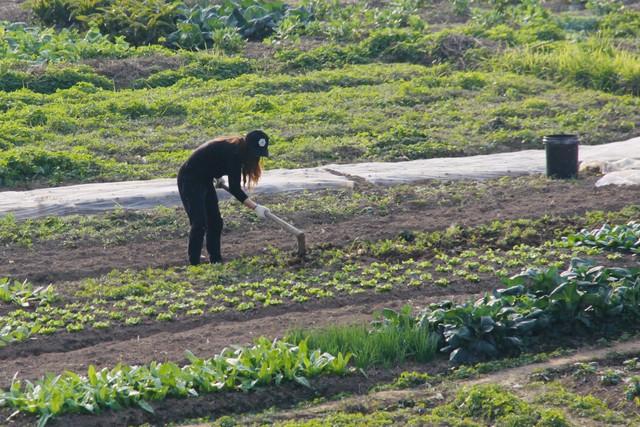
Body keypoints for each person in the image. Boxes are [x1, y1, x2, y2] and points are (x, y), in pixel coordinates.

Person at [177, 130, 271, 265]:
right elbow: (234, 188)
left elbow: (213, 160)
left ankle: (215, 259)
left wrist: (217, 175)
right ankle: (194, 262)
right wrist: (255, 207)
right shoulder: (234, 153)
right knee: (199, 222)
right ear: (247, 147)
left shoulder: (237, 150)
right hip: (190, 178)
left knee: (215, 222)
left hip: (205, 179)